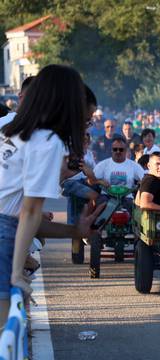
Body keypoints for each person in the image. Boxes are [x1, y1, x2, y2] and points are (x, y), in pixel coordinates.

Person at [0, 65, 102, 323]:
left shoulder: (14, 131)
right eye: (86, 117)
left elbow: (21, 219)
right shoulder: (47, 141)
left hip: (6, 229)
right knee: (5, 331)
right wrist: (16, 275)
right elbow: (28, 213)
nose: (86, 124)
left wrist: (74, 232)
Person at [93, 137, 146, 208]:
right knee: (101, 205)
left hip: (127, 197)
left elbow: (145, 180)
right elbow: (91, 180)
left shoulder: (134, 165)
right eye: (115, 149)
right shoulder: (103, 165)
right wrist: (99, 181)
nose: (118, 152)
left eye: (121, 149)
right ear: (111, 150)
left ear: (126, 150)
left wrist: (140, 183)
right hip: (107, 196)